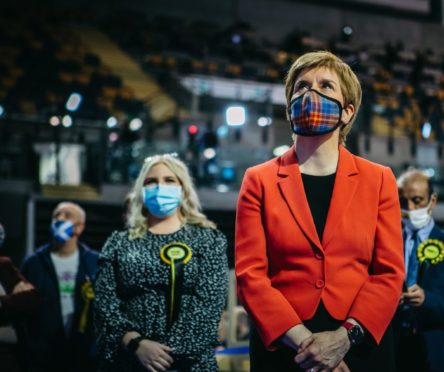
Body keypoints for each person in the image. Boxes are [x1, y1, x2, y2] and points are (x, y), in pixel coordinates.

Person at [235, 51, 404, 372]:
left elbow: (389, 273)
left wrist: (342, 340)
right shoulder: (259, 180)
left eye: (326, 86)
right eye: (301, 87)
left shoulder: (378, 179)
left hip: (359, 345)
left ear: (347, 112)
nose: (310, 94)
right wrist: (309, 346)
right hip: (286, 348)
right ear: (289, 108)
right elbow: (250, 277)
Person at [94, 154, 228, 372]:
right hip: (128, 361)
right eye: (151, 181)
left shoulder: (208, 240)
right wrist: (137, 344)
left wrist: (162, 356)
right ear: (141, 189)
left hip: (190, 364)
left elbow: (209, 304)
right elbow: (105, 303)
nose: (159, 186)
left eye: (169, 180)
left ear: (183, 188)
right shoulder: (119, 242)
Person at [393, 169, 444, 372]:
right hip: (397, 352)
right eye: (403, 202)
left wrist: (427, 300)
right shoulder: (386, 244)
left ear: (433, 200)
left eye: (417, 200)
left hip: (441, 355)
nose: (410, 208)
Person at [20, 202, 99, 371]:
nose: (59, 219)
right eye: (56, 215)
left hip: (82, 354)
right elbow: (21, 309)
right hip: (42, 355)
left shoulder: (95, 263)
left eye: (67, 215)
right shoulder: (33, 263)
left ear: (79, 227)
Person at [0, 223, 38, 372]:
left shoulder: (4, 266)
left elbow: (32, 299)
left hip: (8, 359)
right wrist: (13, 298)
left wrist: (2, 303)